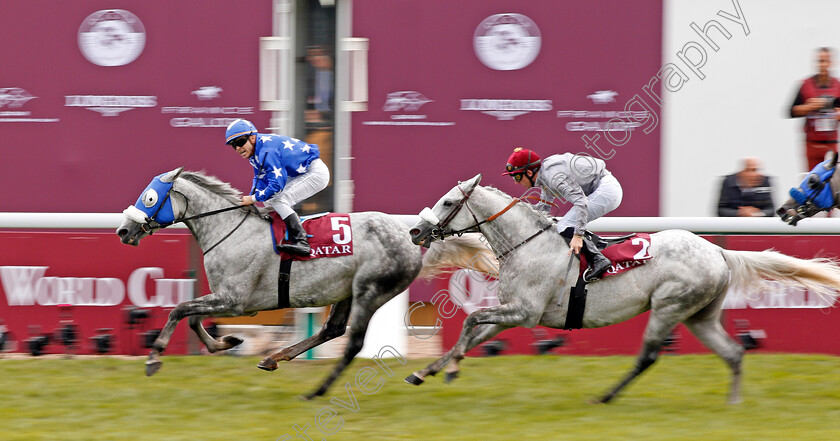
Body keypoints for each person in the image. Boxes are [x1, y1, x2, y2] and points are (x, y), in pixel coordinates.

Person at [502, 147, 623, 282]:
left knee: (565, 225)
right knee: (564, 225)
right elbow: (543, 208)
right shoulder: (545, 175)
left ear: (529, 172)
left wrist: (578, 235)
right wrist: (519, 207)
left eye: (517, 176)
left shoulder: (552, 177)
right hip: (602, 187)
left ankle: (599, 260)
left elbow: (581, 202)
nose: (515, 181)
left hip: (607, 190)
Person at [224, 118, 330, 256]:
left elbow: (276, 185)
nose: (238, 148)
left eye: (240, 142)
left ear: (252, 138)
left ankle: (302, 241)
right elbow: (259, 179)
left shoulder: (266, 151)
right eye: (233, 145)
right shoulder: (255, 151)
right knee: (268, 200)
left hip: (315, 173)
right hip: (299, 172)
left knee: (280, 200)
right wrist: (251, 200)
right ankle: (278, 235)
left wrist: (253, 198)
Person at [789, 47, 840, 170]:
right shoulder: (806, 85)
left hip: (831, 143)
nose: (822, 65)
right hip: (812, 144)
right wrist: (810, 107)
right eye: (820, 61)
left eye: (825, 61)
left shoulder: (837, 85)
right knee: (812, 179)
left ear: (831, 62)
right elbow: (791, 111)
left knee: (831, 178)